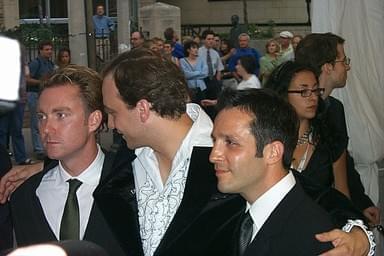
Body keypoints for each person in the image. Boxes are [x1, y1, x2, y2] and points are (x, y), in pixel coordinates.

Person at [0, 48, 375, 256]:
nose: (111, 124)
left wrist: (363, 237)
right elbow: (86, 167)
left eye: (114, 113)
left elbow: (304, 192)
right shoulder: (128, 160)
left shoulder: (224, 148)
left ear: (143, 109)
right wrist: (43, 169)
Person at [10, 65, 125, 256]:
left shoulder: (133, 184)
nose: (46, 128)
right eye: (42, 116)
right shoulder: (24, 197)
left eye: (60, 115)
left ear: (94, 120)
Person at [210, 88, 334, 255]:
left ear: (273, 152)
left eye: (231, 142)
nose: (213, 156)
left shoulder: (315, 238)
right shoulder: (231, 210)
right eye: (214, 140)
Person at [295, 33, 381, 227]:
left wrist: (360, 202)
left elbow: (342, 160)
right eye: (344, 61)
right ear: (328, 67)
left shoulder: (335, 109)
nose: (348, 66)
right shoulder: (288, 112)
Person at [265, 61, 350, 198]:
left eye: (315, 90)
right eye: (304, 91)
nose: (313, 97)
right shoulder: (264, 141)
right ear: (282, 94)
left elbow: (343, 195)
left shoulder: (329, 139)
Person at [27, 40, 55, 160]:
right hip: (34, 94)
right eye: (46, 49)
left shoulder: (50, 64)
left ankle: (44, 147)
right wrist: (40, 82)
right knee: (36, 122)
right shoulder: (35, 63)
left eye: (50, 49)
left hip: (45, 94)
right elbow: (26, 79)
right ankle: (38, 149)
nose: (49, 52)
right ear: (40, 50)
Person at [198, 30, 225, 118]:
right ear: (203, 40)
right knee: (203, 102)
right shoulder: (198, 52)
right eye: (209, 39)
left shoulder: (215, 53)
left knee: (214, 103)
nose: (211, 41)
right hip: (202, 79)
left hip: (212, 79)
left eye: (213, 39)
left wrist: (217, 81)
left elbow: (219, 68)